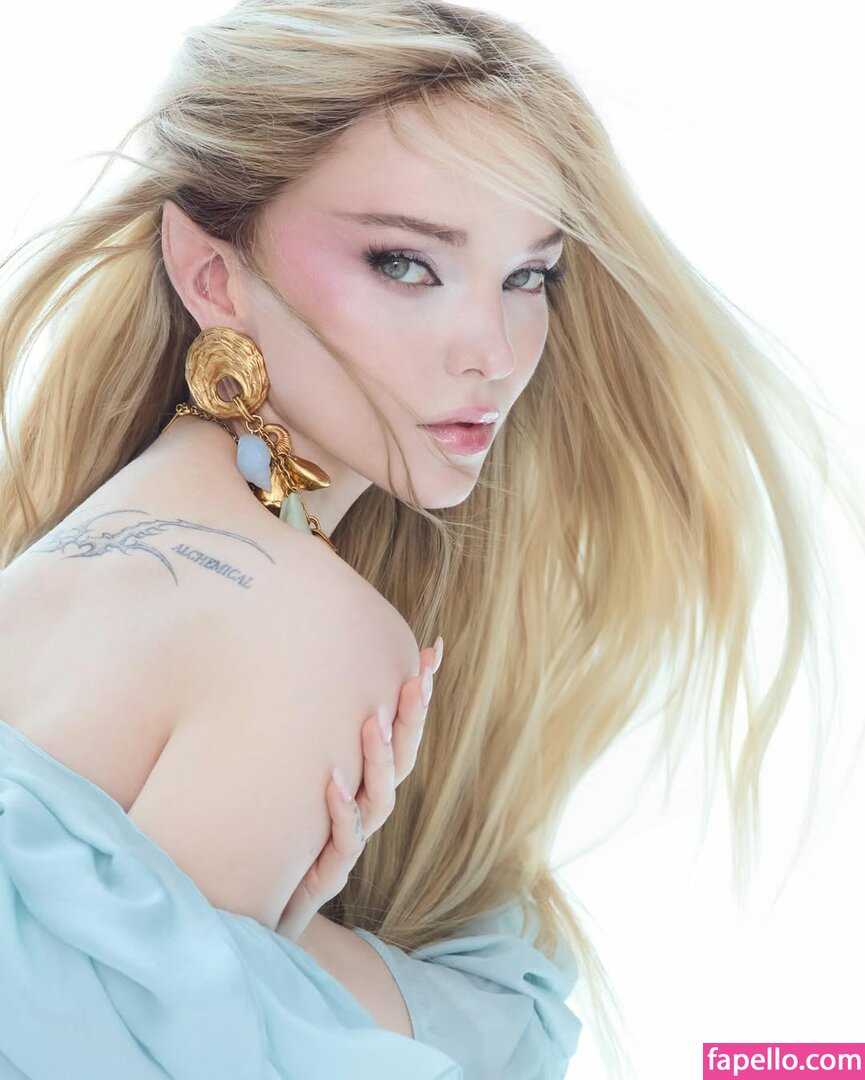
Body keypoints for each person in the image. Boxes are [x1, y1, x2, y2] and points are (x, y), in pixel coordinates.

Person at [0, 1, 862, 1078]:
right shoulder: (309, 632)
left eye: (529, 275)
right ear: (211, 273)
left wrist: (283, 964)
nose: (492, 352)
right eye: (404, 263)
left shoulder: (75, 551)